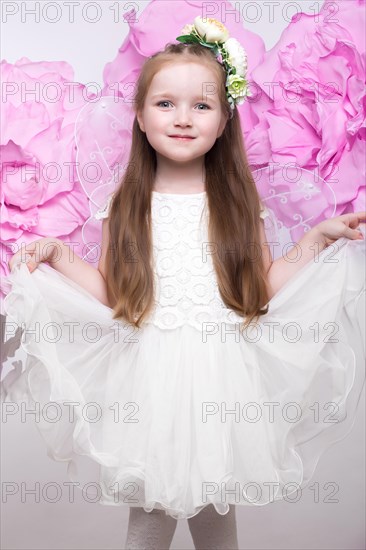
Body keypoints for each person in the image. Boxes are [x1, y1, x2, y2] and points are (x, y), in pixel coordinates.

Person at [2, 16, 365, 550]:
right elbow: (111, 295)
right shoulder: (124, 204)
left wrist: (319, 237)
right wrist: (58, 254)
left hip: (222, 377)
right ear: (141, 118)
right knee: (149, 515)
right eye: (165, 103)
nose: (183, 117)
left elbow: (261, 289)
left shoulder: (239, 205)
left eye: (202, 105)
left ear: (223, 122)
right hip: (150, 378)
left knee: (216, 515)